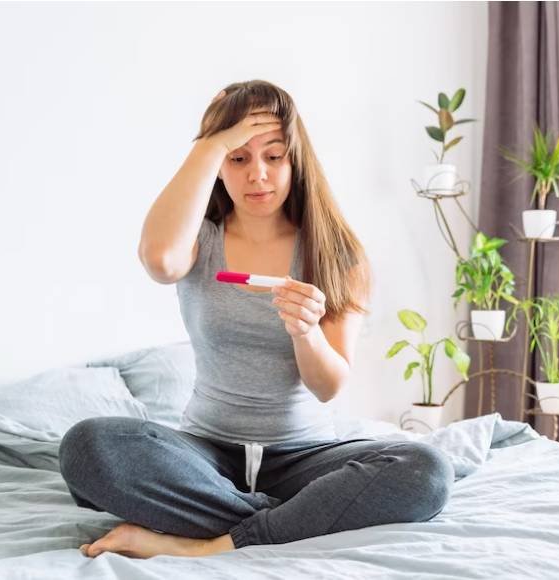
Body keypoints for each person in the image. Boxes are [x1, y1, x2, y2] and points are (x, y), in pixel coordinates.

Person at [58, 80, 454, 559]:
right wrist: (209, 142)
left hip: (304, 457)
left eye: (274, 156)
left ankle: (206, 544)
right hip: (205, 453)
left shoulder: (338, 254)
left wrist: (306, 333)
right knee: (89, 446)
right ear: (217, 164)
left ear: (296, 159)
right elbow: (160, 261)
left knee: (425, 469)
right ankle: (300, 517)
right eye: (238, 157)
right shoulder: (197, 241)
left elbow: (329, 387)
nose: (258, 175)